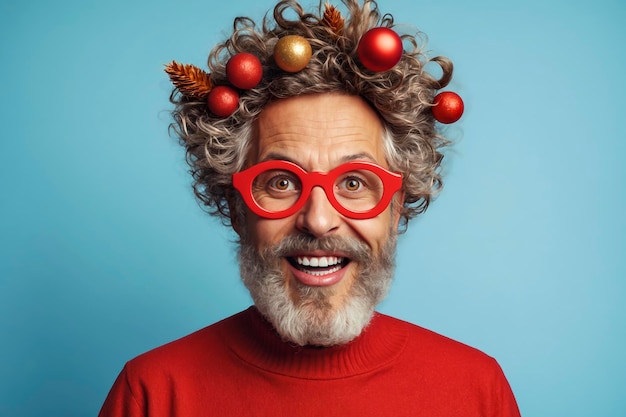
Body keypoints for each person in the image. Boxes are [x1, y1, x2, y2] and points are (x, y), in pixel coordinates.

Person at [99, 0, 521, 415]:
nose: (319, 222)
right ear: (235, 207)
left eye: (354, 182)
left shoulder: (475, 390)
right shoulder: (152, 393)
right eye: (281, 182)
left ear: (396, 206)